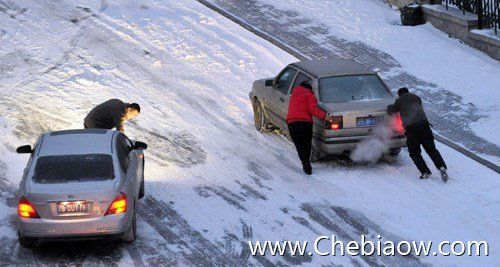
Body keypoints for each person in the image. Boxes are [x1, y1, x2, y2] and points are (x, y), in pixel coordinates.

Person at [387, 88, 449, 182]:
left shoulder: (400, 100)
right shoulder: (416, 98)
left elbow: (391, 110)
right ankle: (441, 167)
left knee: (414, 152)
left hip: (412, 129)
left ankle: (425, 171)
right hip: (425, 126)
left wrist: (389, 107)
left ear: (400, 94)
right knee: (431, 150)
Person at [287, 81, 332, 175]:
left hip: (292, 124)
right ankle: (307, 164)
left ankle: (305, 164)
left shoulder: (293, 96)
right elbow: (313, 109)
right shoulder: (309, 95)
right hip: (305, 123)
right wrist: (325, 116)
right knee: (306, 144)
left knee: (299, 146)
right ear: (309, 89)